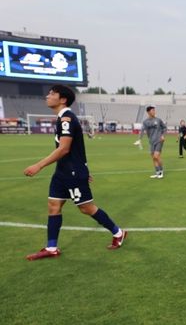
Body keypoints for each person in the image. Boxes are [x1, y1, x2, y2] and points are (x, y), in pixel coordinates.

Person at [23, 85, 127, 260]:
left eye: (52, 94)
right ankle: (51, 248)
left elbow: (64, 149)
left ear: (62, 99)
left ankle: (118, 233)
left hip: (72, 173)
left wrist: (39, 166)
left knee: (86, 208)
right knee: (53, 207)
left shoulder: (67, 119)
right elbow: (78, 149)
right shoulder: (62, 118)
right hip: (62, 172)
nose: (47, 96)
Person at [134, 105, 167, 178]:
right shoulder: (145, 122)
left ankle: (161, 171)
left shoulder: (158, 120)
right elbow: (142, 131)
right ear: (148, 112)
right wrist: (139, 139)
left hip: (159, 140)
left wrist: (163, 136)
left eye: (154, 110)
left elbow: (164, 128)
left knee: (156, 156)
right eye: (153, 110)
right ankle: (157, 172)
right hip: (151, 142)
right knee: (153, 158)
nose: (154, 112)